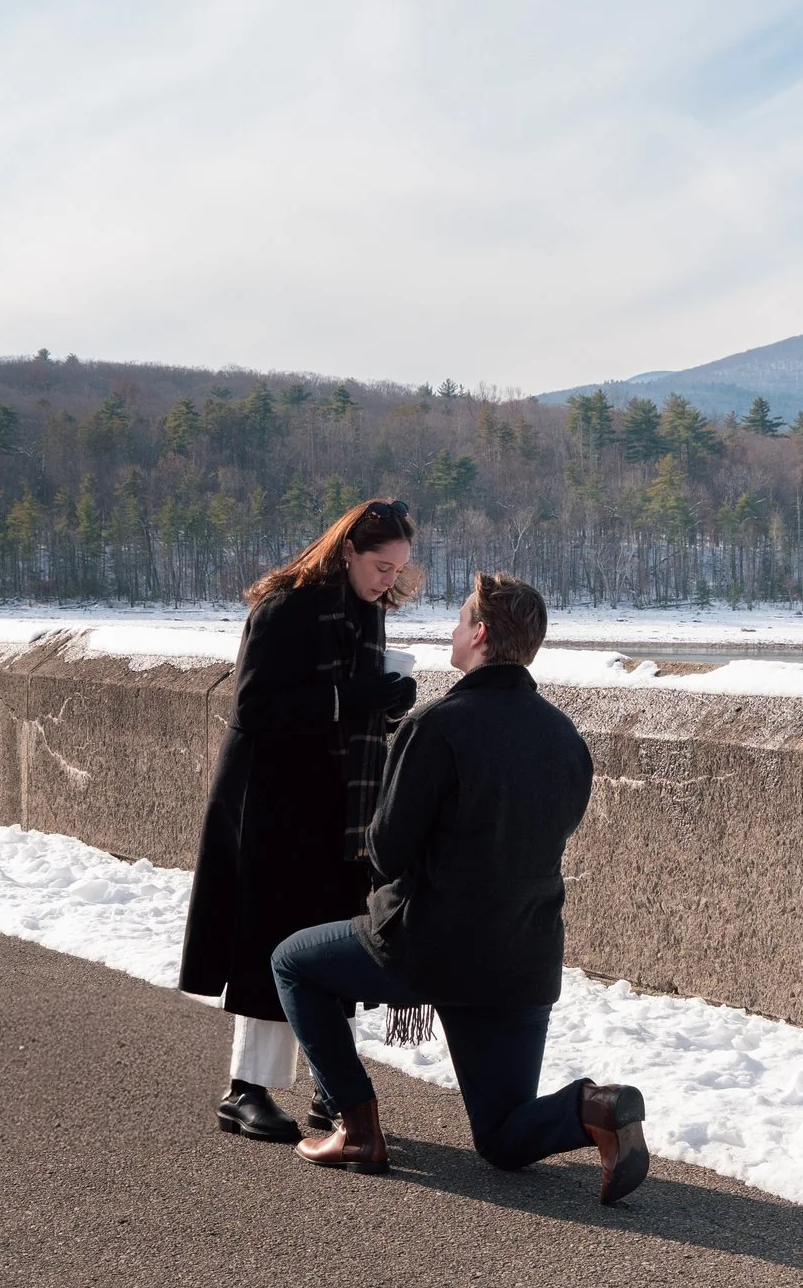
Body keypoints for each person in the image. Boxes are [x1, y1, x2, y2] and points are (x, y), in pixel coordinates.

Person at [270, 573, 648, 1204]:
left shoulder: (437, 727)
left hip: (430, 949)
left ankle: (357, 1125)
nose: (451, 630)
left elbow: (387, 854)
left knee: (293, 963)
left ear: (479, 634)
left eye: (460, 618)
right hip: (522, 960)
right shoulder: (564, 738)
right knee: (502, 1139)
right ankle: (596, 1107)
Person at [178, 498, 422, 1142]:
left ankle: (331, 1090)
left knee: (326, 946)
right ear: (347, 551)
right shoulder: (286, 608)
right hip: (273, 802)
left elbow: (349, 712)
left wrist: (387, 706)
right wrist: (355, 697)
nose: (388, 581)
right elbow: (255, 706)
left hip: (339, 805)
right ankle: (245, 1090)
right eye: (380, 566)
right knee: (272, 944)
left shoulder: (366, 613)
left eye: (397, 570)